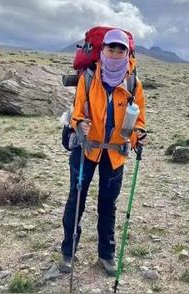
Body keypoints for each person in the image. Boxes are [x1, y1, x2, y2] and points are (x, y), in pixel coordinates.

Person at [59, 29, 149, 276]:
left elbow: (139, 118)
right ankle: (68, 252)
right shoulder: (88, 79)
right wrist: (80, 124)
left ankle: (106, 255)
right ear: (102, 50)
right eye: (111, 48)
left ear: (127, 53)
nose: (116, 53)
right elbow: (77, 113)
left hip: (116, 153)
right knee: (76, 201)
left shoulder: (133, 83)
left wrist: (139, 134)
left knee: (108, 204)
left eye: (122, 50)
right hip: (85, 149)